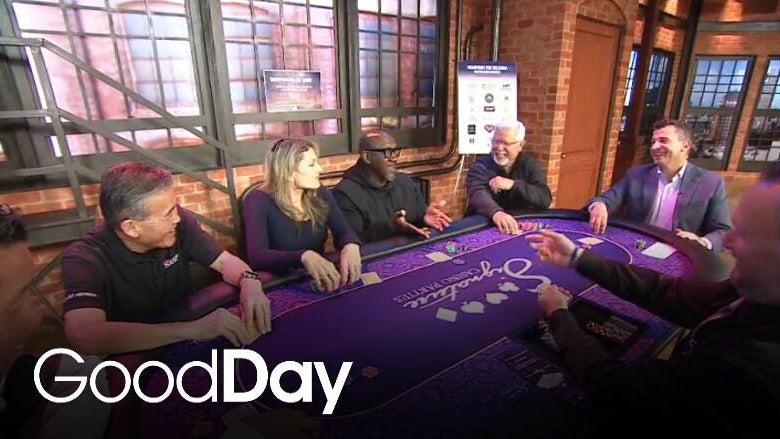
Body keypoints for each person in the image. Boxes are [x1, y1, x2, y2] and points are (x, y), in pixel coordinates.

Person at [525, 175, 780, 437]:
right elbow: (667, 294)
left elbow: (613, 386)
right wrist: (577, 258)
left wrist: (559, 315)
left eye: (747, 234)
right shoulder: (757, 292)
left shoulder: (746, 371)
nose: (726, 242)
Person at [61, 162, 271, 355]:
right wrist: (192, 330)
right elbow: (83, 335)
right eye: (168, 214)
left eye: (176, 208)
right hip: (136, 357)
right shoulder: (83, 259)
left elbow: (224, 261)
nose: (177, 218)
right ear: (131, 227)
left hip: (187, 332)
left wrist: (250, 282)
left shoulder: (179, 222)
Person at [1, 204, 109, 438]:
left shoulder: (70, 376)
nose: (38, 311)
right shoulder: (82, 257)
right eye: (19, 298)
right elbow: (86, 334)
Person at [586, 119, 732, 251]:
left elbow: (723, 231)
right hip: (635, 248)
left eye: (663, 141)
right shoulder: (636, 175)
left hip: (679, 253)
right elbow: (607, 198)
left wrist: (701, 242)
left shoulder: (710, 183)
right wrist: (599, 205)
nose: (655, 147)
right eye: (653, 141)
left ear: (685, 145)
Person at [243, 138, 362, 292]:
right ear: (288, 172)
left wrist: (351, 245)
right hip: (277, 285)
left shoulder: (319, 192)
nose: (320, 169)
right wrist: (303, 256)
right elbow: (257, 257)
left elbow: (343, 230)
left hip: (316, 280)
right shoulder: (257, 200)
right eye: (311, 164)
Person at [333, 130, 452, 242]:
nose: (394, 159)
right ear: (367, 157)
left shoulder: (406, 183)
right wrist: (389, 227)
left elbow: (418, 219)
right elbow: (350, 243)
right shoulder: (345, 194)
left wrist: (424, 216)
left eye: (395, 152)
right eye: (387, 153)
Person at [466, 119, 552, 235]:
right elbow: (477, 193)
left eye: (505, 143)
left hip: (519, 225)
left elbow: (543, 199)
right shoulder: (480, 165)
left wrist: (513, 185)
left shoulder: (530, 165)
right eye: (496, 142)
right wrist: (496, 213)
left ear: (520, 145)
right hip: (482, 225)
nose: (499, 148)